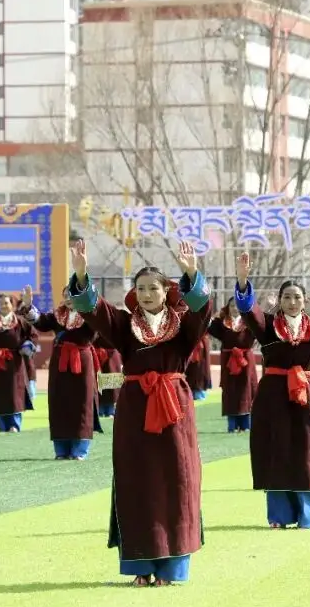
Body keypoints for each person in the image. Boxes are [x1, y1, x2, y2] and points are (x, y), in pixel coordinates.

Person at [69, 238, 211, 586]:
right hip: (134, 410)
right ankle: (140, 569)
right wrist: (82, 272)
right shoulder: (122, 324)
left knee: (176, 480)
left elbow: (202, 310)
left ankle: (172, 568)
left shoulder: (183, 327)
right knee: (137, 482)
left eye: (153, 288)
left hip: (175, 409)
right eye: (141, 288)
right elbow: (93, 309)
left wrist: (191, 271)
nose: (147, 294)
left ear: (166, 291)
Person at [234, 252, 310, 528]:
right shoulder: (268, 327)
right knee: (277, 450)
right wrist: (243, 280)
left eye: (297, 297)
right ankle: (279, 516)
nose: (292, 302)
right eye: (287, 297)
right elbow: (250, 311)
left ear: (305, 301)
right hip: (273, 397)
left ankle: (308, 516)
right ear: (280, 302)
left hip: (305, 396)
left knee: (306, 452)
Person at [21, 285, 98, 460]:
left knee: (82, 402)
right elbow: (40, 322)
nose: (69, 298)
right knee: (59, 401)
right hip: (59, 362)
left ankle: (79, 450)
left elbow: (97, 329)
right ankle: (61, 450)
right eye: (66, 295)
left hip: (81, 360)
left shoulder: (89, 314)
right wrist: (28, 305)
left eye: (73, 295)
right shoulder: (57, 314)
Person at [0, 294, 39, 433]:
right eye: (1, 303)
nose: (4, 305)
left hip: (15, 362)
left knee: (15, 393)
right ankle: (2, 425)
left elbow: (33, 335)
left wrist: (27, 346)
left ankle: (14, 425)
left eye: (6, 303)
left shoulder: (20, 321)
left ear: (12, 305)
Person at [206, 296, 258, 433]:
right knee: (230, 390)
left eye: (238, 305)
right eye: (232, 306)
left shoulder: (250, 323)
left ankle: (247, 425)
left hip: (246, 361)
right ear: (228, 308)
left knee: (246, 389)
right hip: (228, 361)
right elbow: (208, 325)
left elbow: (263, 324)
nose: (235, 308)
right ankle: (232, 425)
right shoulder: (223, 323)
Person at [93, 335, 122, 417]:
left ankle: (110, 408)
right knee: (98, 382)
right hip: (97, 353)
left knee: (112, 383)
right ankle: (100, 408)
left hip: (112, 354)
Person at [185, 336, 210, 400]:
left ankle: (198, 392)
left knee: (200, 369)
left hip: (200, 345)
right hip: (192, 344)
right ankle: (192, 391)